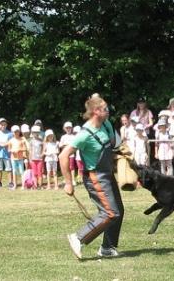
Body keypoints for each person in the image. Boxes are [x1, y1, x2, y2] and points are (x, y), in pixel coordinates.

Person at [60, 93, 122, 259]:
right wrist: (68, 183)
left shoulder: (104, 124)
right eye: (105, 109)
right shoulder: (84, 134)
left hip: (107, 174)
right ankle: (78, 238)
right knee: (110, 213)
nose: (108, 111)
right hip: (96, 176)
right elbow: (63, 156)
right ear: (96, 111)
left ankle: (107, 248)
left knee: (118, 211)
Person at [0, 118, 13, 189]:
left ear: (6, 125)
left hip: (7, 154)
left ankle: (10, 182)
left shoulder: (10, 133)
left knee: (9, 169)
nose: (3, 126)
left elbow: (12, 142)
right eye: (1, 125)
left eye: (4, 124)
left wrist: (5, 144)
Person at [7, 125, 28, 190]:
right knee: (14, 172)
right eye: (15, 132)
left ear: (19, 132)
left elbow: (25, 148)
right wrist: (12, 151)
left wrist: (19, 150)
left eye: (17, 131)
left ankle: (23, 185)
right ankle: (15, 185)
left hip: (20, 158)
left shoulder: (22, 139)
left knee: (22, 172)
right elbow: (9, 149)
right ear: (12, 132)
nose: (16, 133)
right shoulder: (11, 140)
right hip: (13, 158)